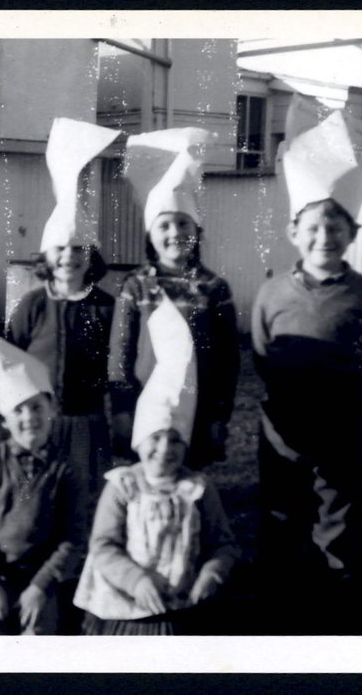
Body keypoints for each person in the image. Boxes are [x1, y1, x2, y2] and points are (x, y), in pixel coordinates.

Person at [252, 106, 362, 590]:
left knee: (339, 495)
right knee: (282, 493)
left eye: (335, 228)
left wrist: (345, 393)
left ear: (353, 234)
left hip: (341, 417)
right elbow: (261, 351)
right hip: (282, 419)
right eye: (312, 227)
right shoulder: (272, 293)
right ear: (294, 233)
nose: (323, 237)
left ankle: (336, 566)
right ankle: (282, 566)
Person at [75, 298, 238, 635]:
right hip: (128, 606)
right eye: (156, 439)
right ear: (139, 442)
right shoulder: (123, 487)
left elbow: (223, 544)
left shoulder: (197, 489)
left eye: (175, 441)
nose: (165, 450)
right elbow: (103, 546)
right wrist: (135, 580)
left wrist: (212, 573)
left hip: (183, 604)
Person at [109, 126, 240, 469]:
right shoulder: (135, 286)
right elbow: (120, 353)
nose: (175, 234)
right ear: (150, 235)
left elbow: (227, 362)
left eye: (184, 224)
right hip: (146, 405)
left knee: (189, 480)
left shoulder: (215, 288)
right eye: (164, 225)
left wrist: (218, 416)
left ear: (197, 231)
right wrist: (122, 409)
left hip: (198, 407)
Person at [6, 117, 120, 501]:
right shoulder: (33, 304)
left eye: (78, 249)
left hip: (87, 420)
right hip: (38, 421)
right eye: (61, 249)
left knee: (85, 495)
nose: (69, 257)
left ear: (91, 256)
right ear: (46, 256)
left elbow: (117, 366)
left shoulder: (105, 307)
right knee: (42, 495)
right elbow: (11, 358)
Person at [0, 334, 82, 635]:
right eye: (19, 410)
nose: (29, 418)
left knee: (37, 643)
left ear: (51, 409)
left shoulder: (65, 469)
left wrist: (41, 586)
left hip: (42, 579)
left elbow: (73, 535)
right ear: (5, 420)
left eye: (37, 407)